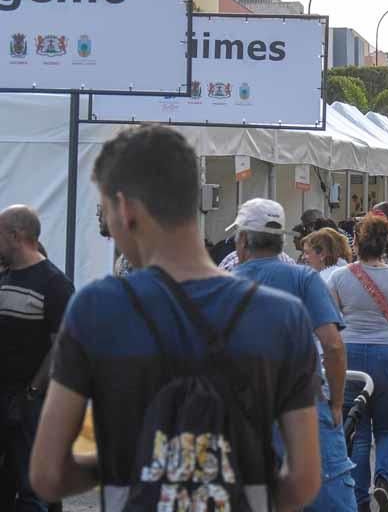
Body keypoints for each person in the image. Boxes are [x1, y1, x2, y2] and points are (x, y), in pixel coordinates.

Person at [31, 126, 322, 511]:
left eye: (105, 213)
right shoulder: (283, 316)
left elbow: (48, 475)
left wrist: (138, 465)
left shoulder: (96, 309)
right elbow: (304, 480)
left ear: (126, 208)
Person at [229, 199, 355, 512]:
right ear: (281, 240)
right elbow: (334, 345)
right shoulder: (304, 279)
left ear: (243, 240)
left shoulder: (223, 286)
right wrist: (337, 402)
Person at [327, 215, 388, 512]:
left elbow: (330, 323)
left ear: (357, 243)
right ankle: (383, 481)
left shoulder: (339, 277)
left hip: (351, 355)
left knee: (359, 431)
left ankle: (361, 499)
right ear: (387, 245)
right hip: (387, 354)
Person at [0, 205, 74, 511]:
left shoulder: (54, 283)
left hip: (31, 402)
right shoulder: (4, 277)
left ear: (16, 236)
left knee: (34, 490)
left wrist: (32, 393)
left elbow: (62, 348)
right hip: (4, 395)